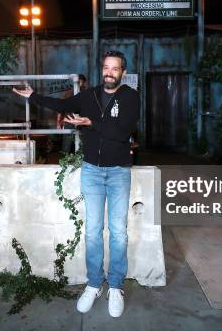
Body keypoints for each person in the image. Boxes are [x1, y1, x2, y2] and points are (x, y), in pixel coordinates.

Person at [13, 51, 139, 318]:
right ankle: (94, 283)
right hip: (92, 171)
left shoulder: (129, 96)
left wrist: (92, 123)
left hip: (118, 172)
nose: (109, 72)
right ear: (101, 69)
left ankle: (115, 286)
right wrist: (33, 96)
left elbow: (122, 131)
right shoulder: (90, 95)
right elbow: (63, 106)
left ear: (122, 73)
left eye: (114, 69)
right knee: (92, 231)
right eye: (105, 67)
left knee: (118, 231)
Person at [56, 74, 87, 154]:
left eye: (80, 82)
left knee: (83, 142)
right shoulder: (68, 93)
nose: (78, 84)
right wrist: (58, 123)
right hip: (69, 120)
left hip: (81, 121)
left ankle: (82, 160)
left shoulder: (87, 93)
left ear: (84, 83)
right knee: (67, 141)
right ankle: (64, 162)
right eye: (76, 82)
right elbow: (60, 108)